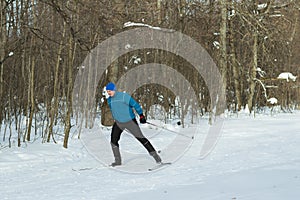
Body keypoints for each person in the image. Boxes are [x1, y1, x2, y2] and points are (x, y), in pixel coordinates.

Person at [105, 82, 162, 166]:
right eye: (107, 91)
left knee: (141, 139)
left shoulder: (124, 96)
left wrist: (141, 115)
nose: (109, 92)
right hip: (118, 123)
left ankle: (156, 157)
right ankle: (118, 161)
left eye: (110, 91)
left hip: (130, 121)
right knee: (113, 141)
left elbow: (135, 105)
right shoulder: (109, 100)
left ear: (114, 90)